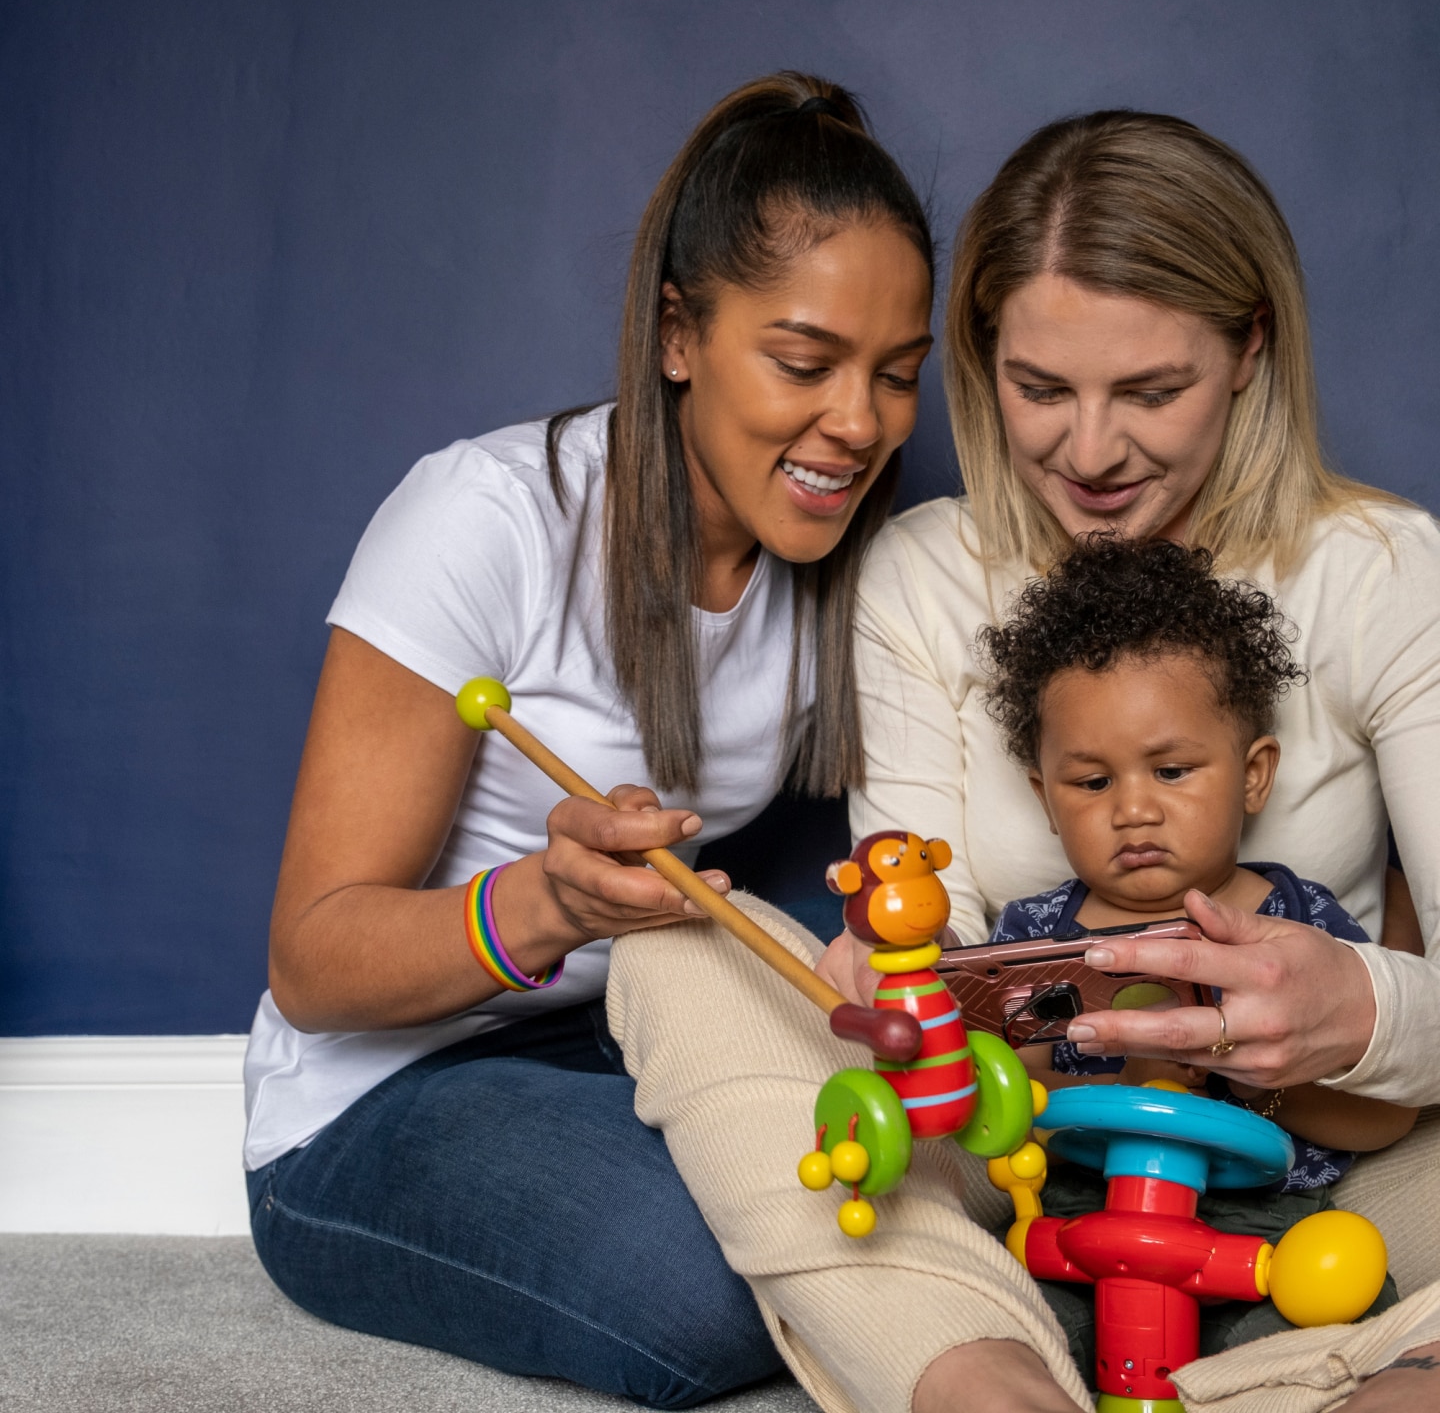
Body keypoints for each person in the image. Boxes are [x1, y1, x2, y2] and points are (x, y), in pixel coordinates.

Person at [605, 110, 1440, 1413]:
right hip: (1017, 1174)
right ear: (978, 360)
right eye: (1040, 389)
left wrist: (1363, 1016)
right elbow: (926, 951)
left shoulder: (1384, 573)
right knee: (673, 945)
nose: (1092, 453)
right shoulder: (924, 577)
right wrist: (903, 1005)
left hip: (1318, 1184)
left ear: (1250, 351)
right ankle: (989, 1381)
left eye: (1152, 392)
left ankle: (1372, 1373)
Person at [242, 70, 936, 1409]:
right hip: (379, 1096)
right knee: (722, 1286)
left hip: (620, 1038)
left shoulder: (847, 572)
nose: (857, 424)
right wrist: (547, 903)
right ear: (680, 334)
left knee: (894, 1189)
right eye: (804, 362)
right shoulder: (485, 519)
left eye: (896, 377)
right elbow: (314, 962)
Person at [979, 535, 1413, 1365]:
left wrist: (1253, 1077)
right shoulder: (1033, 940)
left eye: (1172, 771)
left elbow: (1387, 1114)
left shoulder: (1299, 926)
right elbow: (991, 1084)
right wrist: (1114, 1077)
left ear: (1253, 776)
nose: (1134, 809)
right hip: (1078, 1218)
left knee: (1338, 1323)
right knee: (1017, 1327)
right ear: (1044, 798)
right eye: (1093, 783)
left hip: (1264, 1223)